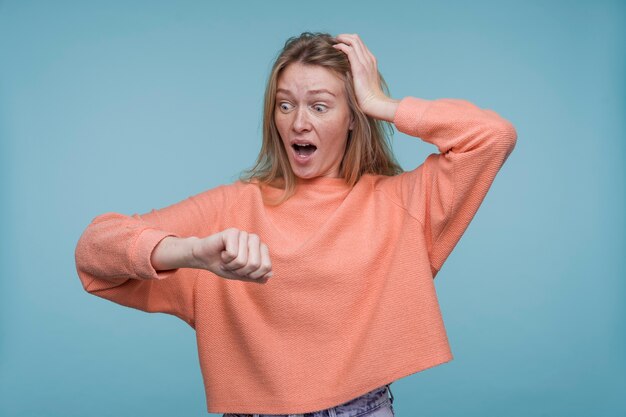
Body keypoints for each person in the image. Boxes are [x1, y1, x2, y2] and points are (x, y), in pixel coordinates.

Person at [74, 32, 517, 417]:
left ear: (352, 119)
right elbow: (94, 250)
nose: (299, 122)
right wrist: (191, 253)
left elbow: (492, 136)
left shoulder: (401, 204)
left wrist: (382, 104)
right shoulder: (231, 207)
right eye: (285, 105)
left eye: (320, 106)